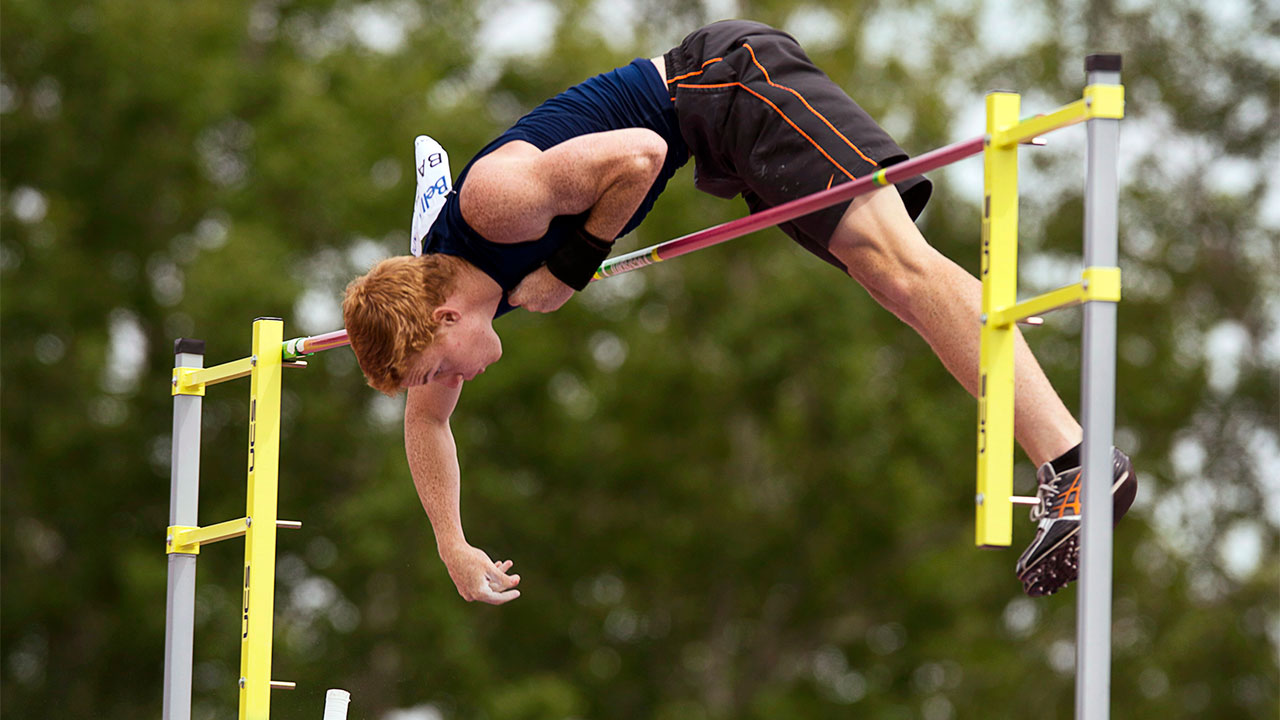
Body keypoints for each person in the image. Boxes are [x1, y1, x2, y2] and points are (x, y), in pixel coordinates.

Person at [341, 20, 1137, 605]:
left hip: (725, 80)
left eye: (438, 368)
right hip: (716, 136)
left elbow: (638, 156)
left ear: (444, 317)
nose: (444, 384)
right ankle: (1066, 460)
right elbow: (426, 424)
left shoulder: (493, 207)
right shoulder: (454, 296)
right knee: (887, 277)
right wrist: (451, 542)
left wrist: (570, 265)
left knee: (891, 264)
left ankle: (1077, 465)